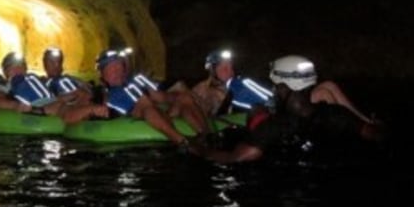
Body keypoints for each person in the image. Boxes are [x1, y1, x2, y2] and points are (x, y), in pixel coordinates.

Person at [194, 54, 385, 163]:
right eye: (223, 66)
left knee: (328, 89)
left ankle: (365, 121)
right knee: (328, 90)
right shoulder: (336, 115)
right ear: (212, 71)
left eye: (230, 65)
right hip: (299, 112)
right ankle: (364, 121)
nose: (229, 68)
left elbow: (237, 157)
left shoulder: (240, 84)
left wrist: (197, 148)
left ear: (282, 87)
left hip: (281, 112)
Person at [89, 49, 208, 152]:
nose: (117, 71)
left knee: (184, 97)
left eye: (119, 66)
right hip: (132, 120)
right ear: (102, 73)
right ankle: (183, 142)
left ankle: (207, 136)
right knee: (146, 105)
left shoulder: (137, 81)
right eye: (111, 68)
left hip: (160, 114)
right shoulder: (101, 93)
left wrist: (181, 96)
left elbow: (162, 97)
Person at [191, 48, 273, 117]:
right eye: (225, 68)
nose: (231, 72)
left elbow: (270, 102)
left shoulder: (240, 84)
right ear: (212, 70)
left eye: (232, 67)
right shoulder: (200, 90)